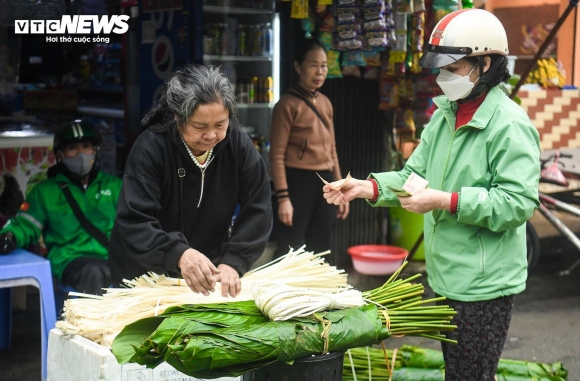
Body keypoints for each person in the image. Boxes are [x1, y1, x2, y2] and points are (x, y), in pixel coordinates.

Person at [323, 9, 540, 381]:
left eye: (452, 69)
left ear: (484, 63)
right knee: (456, 374)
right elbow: (413, 175)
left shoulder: (510, 125)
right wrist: (366, 187)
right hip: (444, 278)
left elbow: (516, 203)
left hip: (484, 286)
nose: (442, 79)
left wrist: (444, 201)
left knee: (470, 376)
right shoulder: (443, 116)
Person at [108, 64, 272, 298]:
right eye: (199, 126)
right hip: (146, 277)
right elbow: (135, 222)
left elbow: (259, 205)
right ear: (177, 117)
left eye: (220, 124)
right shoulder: (151, 148)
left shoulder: (237, 144)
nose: (211, 135)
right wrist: (178, 254)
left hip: (207, 276)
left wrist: (233, 261)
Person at [0, 120, 121, 295]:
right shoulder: (45, 192)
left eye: (86, 146)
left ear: (95, 150)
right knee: (95, 271)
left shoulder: (116, 186)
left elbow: (136, 224)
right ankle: (88, 323)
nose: (81, 153)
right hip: (70, 260)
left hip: (112, 258)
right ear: (60, 154)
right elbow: (25, 224)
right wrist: (10, 235)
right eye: (72, 147)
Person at [269, 37, 349, 259]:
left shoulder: (325, 102)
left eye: (324, 66)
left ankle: (318, 293)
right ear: (298, 67)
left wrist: (340, 186)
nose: (320, 71)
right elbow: (276, 156)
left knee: (321, 246)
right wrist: (283, 198)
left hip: (325, 182)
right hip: (297, 183)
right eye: (313, 65)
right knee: (289, 247)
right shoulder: (286, 105)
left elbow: (332, 150)